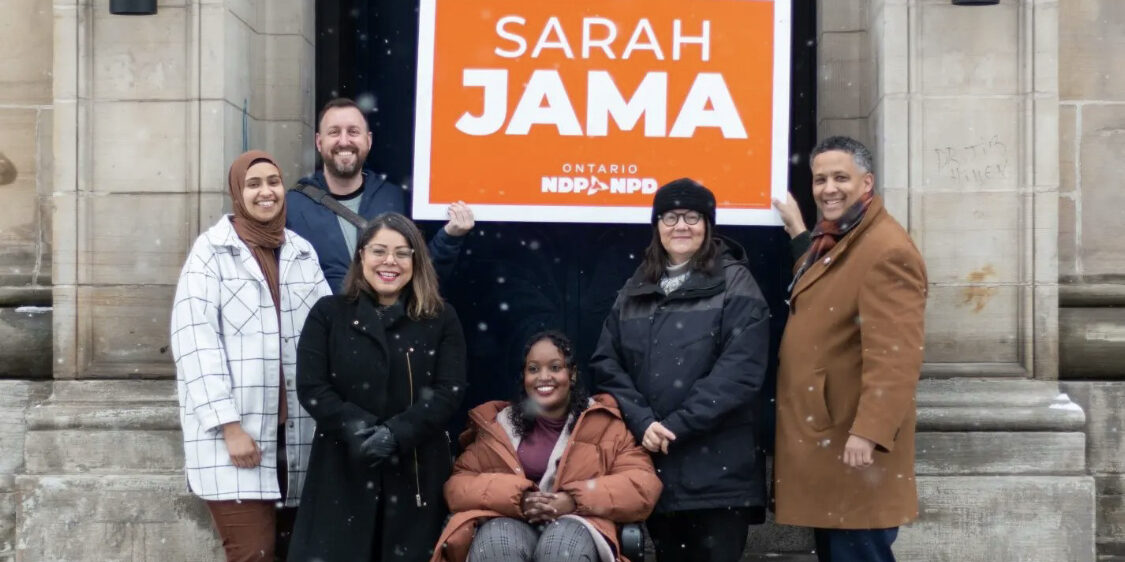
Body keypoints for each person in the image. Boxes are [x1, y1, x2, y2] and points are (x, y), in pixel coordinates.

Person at [590, 179, 771, 562]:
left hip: (719, 474)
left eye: (692, 216)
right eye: (670, 217)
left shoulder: (736, 282)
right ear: (657, 225)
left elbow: (739, 371)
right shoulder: (637, 285)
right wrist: (642, 421)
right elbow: (607, 363)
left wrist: (677, 425)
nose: (681, 225)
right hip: (656, 471)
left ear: (708, 225)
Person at [771, 136, 928, 562]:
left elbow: (895, 355)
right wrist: (799, 231)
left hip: (853, 444)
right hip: (834, 443)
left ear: (867, 182)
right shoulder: (842, 237)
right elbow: (828, 277)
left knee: (857, 553)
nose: (828, 188)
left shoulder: (887, 250)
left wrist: (869, 431)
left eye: (841, 177)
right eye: (820, 179)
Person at [171, 150, 332, 561]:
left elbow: (327, 334)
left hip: (295, 436)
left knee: (294, 551)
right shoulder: (210, 254)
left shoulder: (301, 252)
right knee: (253, 553)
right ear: (237, 193)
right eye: (254, 183)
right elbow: (195, 344)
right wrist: (229, 427)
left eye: (274, 182)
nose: (266, 192)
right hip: (237, 439)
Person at [288, 212, 467, 561]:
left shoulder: (441, 318)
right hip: (342, 470)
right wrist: (358, 428)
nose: (390, 261)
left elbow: (450, 391)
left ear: (416, 259)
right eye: (379, 251)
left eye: (402, 252)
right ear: (361, 256)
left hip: (416, 473)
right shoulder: (328, 314)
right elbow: (312, 386)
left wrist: (396, 434)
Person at [433, 330, 662, 562]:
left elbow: (642, 485)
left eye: (555, 367)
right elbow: (458, 486)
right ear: (523, 376)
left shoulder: (605, 424)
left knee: (560, 547)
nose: (544, 377)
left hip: (579, 524)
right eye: (533, 369)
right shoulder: (498, 426)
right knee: (495, 543)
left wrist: (574, 500)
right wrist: (518, 498)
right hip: (512, 522)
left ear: (571, 374)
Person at [286, 97, 476, 293]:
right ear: (319, 141)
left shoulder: (396, 200)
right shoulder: (293, 206)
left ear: (368, 140)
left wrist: (450, 237)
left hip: (388, 322)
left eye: (353, 132)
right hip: (324, 323)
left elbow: (423, 277)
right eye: (334, 132)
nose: (344, 141)